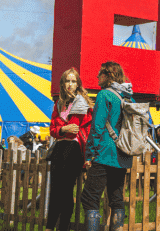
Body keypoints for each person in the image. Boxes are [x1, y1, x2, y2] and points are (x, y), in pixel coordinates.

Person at [81, 61, 134, 231]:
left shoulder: (104, 95)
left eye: (99, 73)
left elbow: (97, 127)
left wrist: (89, 155)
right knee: (116, 197)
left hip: (104, 153)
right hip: (123, 155)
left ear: (108, 75)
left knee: (89, 198)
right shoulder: (128, 97)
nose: (97, 76)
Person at [46, 67, 93, 231]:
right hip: (59, 148)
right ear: (63, 84)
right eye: (68, 81)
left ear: (78, 84)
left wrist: (88, 155)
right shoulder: (58, 104)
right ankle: (49, 227)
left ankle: (62, 228)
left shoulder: (82, 103)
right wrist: (63, 130)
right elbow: (52, 130)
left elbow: (81, 129)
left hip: (74, 149)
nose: (70, 84)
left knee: (65, 193)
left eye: (74, 81)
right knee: (55, 191)